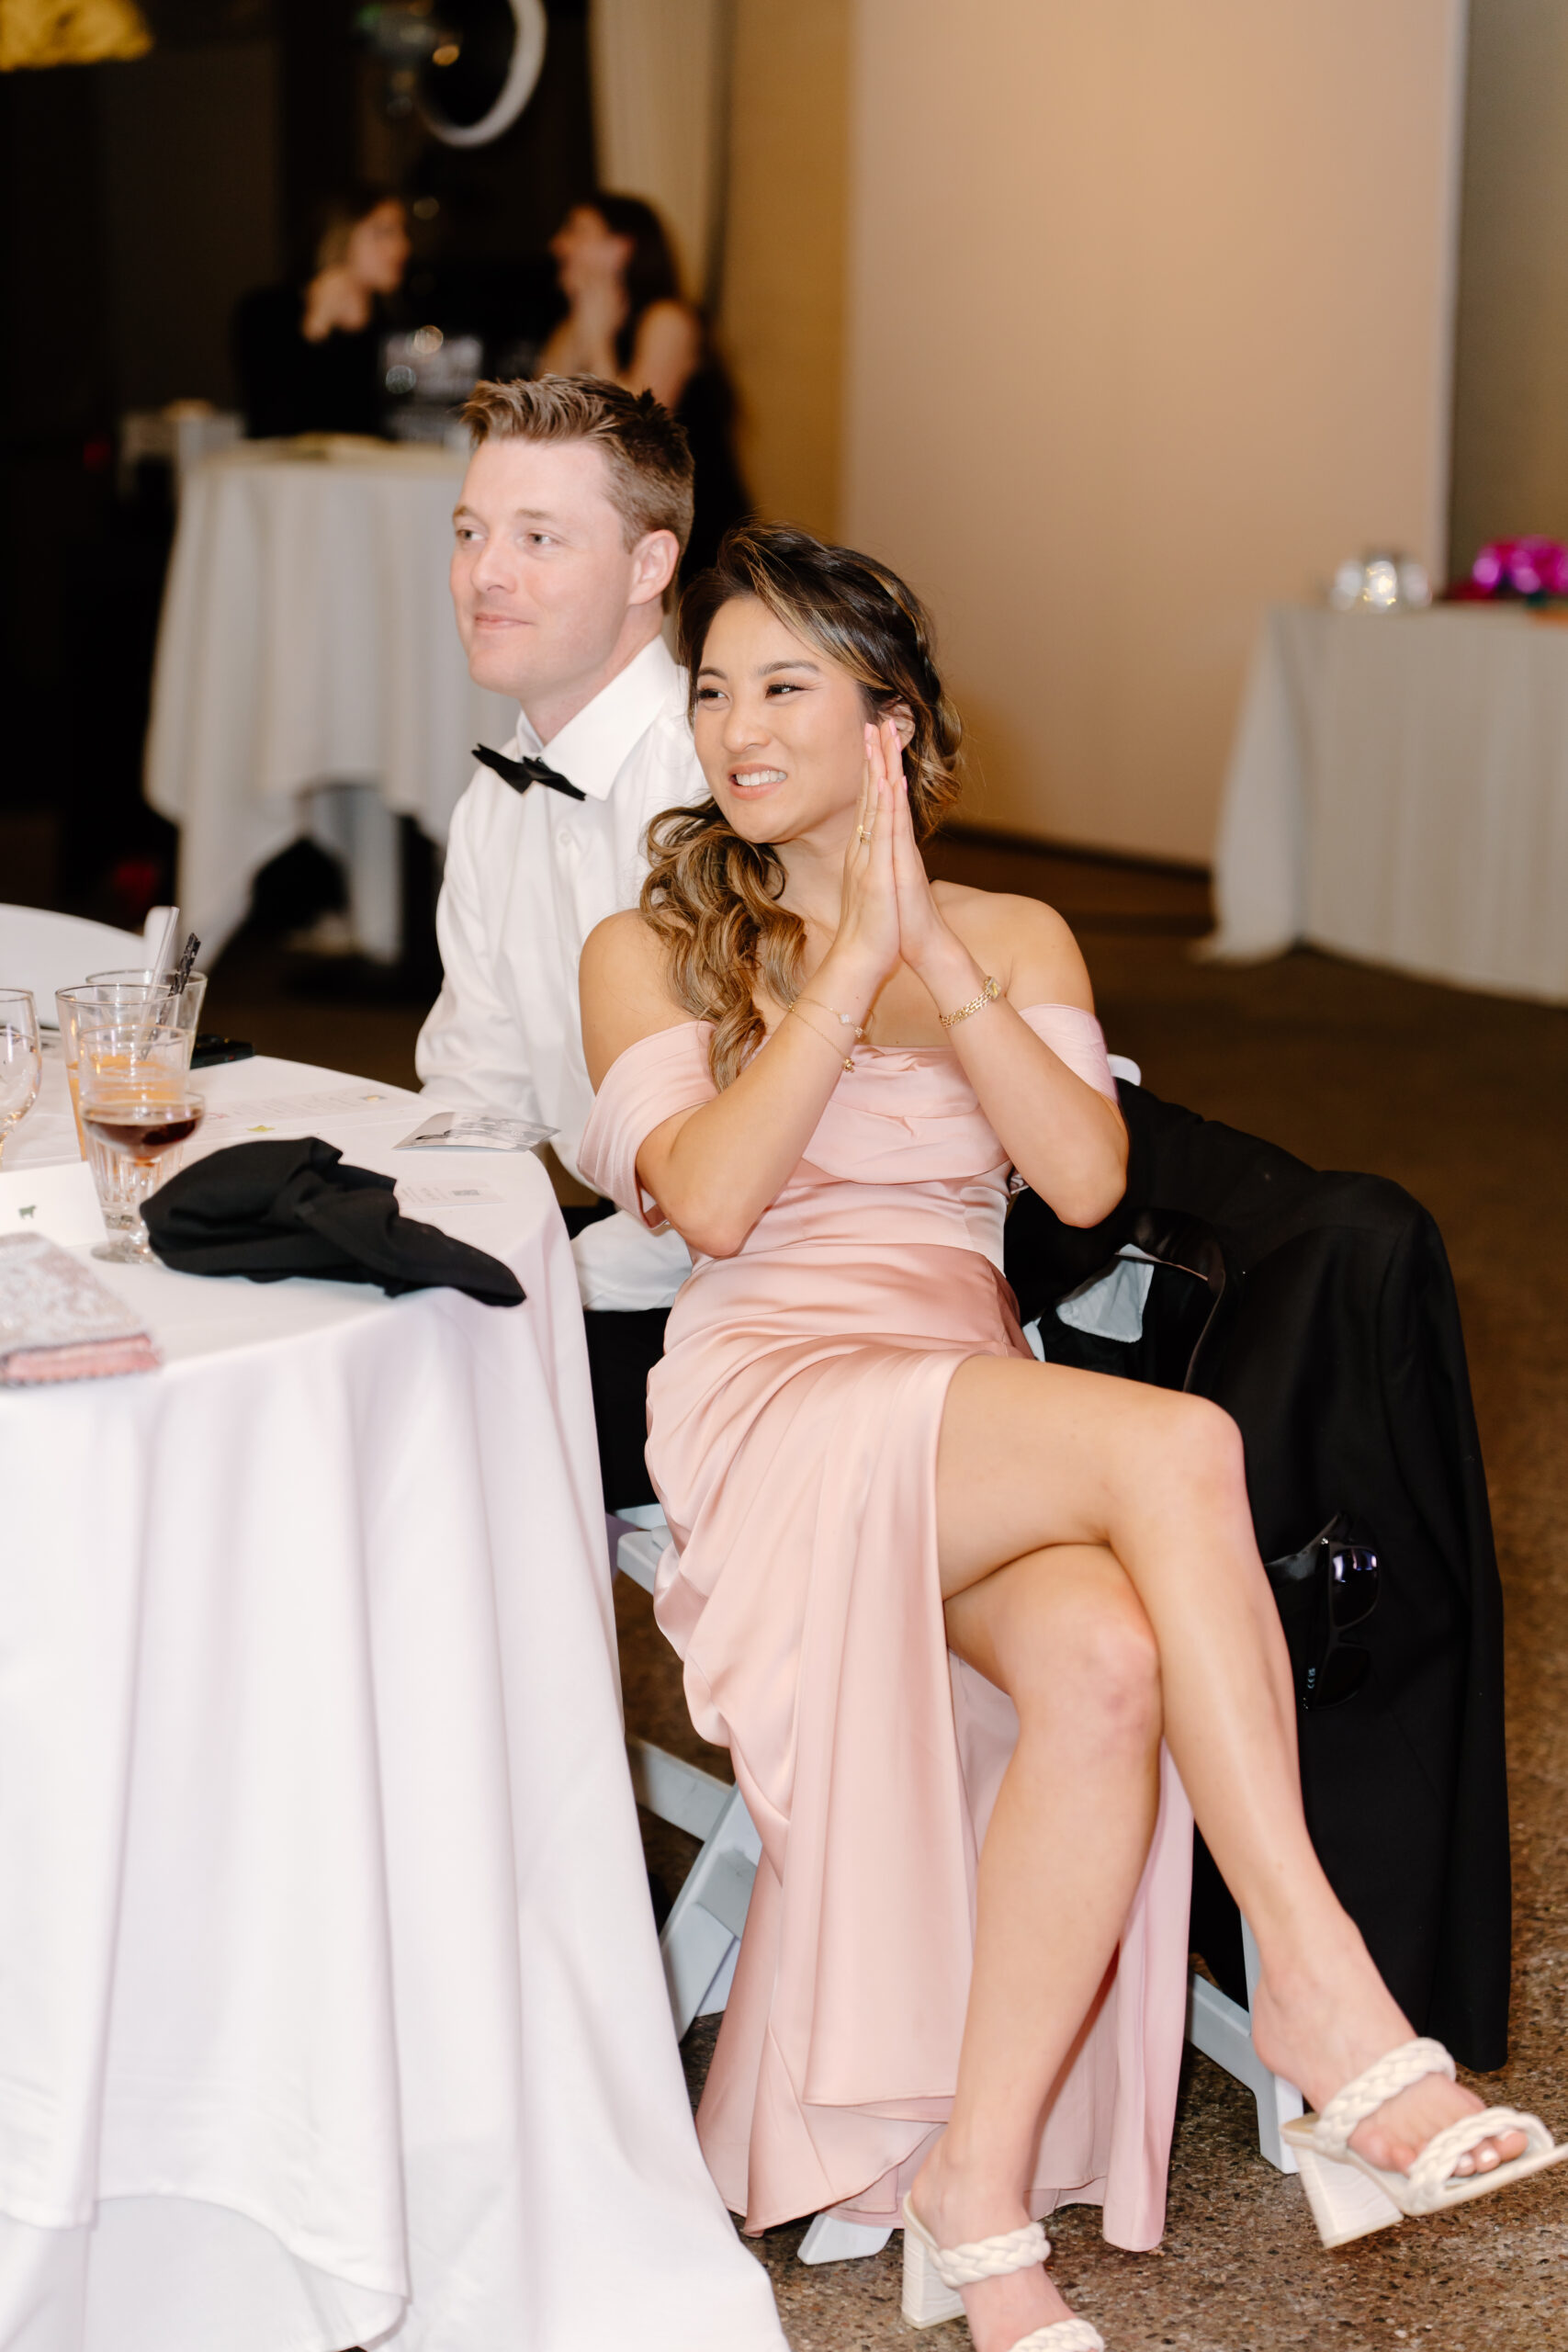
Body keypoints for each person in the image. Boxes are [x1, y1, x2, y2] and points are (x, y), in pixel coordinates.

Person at [576, 526, 1560, 2352]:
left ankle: (981, 2187)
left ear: (891, 723)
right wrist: (836, 959)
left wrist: (928, 953)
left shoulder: (1013, 934)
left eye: (783, 681)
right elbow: (706, 1203)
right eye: (711, 684)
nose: (731, 722)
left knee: (1105, 1660)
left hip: (968, 1396)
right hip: (774, 1398)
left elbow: (1086, 1179)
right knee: (1179, 1446)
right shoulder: (646, 943)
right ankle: (1319, 1994)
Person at [415, 374, 703, 1335]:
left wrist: (536, 1295)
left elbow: (760, 1168)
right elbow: (476, 1086)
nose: (484, 573)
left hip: (771, 1287)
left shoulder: (721, 785)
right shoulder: (496, 798)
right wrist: (426, 1245)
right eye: (470, 532)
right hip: (619, 1249)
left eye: (538, 539)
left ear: (646, 565)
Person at [538, 193, 750, 576]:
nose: (559, 244)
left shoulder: (669, 319)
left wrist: (598, 341)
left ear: (620, 249)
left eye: (576, 231)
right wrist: (584, 331)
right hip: (624, 519)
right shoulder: (575, 327)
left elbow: (637, 432)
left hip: (693, 526)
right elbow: (541, 413)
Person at [234, 187, 410, 440]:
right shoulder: (267, 311)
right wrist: (316, 327)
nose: (402, 247)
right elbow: (272, 419)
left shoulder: (393, 323)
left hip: (372, 476)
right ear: (341, 235)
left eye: (402, 232)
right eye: (384, 233)